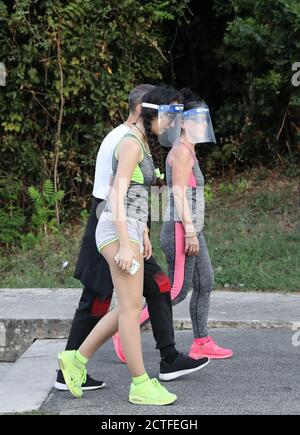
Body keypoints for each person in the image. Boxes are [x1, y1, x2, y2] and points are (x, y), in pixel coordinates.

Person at [58, 86, 209, 406]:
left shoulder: (141, 141)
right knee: (129, 309)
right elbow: (115, 196)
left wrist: (143, 235)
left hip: (129, 232)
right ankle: (140, 384)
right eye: (169, 118)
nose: (171, 125)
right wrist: (127, 245)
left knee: (125, 307)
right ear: (152, 113)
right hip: (115, 232)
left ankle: (75, 359)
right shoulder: (128, 144)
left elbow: (136, 196)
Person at [160, 88, 234, 360]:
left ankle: (201, 341)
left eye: (205, 118)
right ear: (183, 121)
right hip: (181, 231)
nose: (203, 124)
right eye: (198, 118)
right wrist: (190, 232)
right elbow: (178, 194)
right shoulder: (181, 152)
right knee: (177, 292)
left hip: (192, 230)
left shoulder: (188, 151)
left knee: (205, 283)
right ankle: (126, 327)